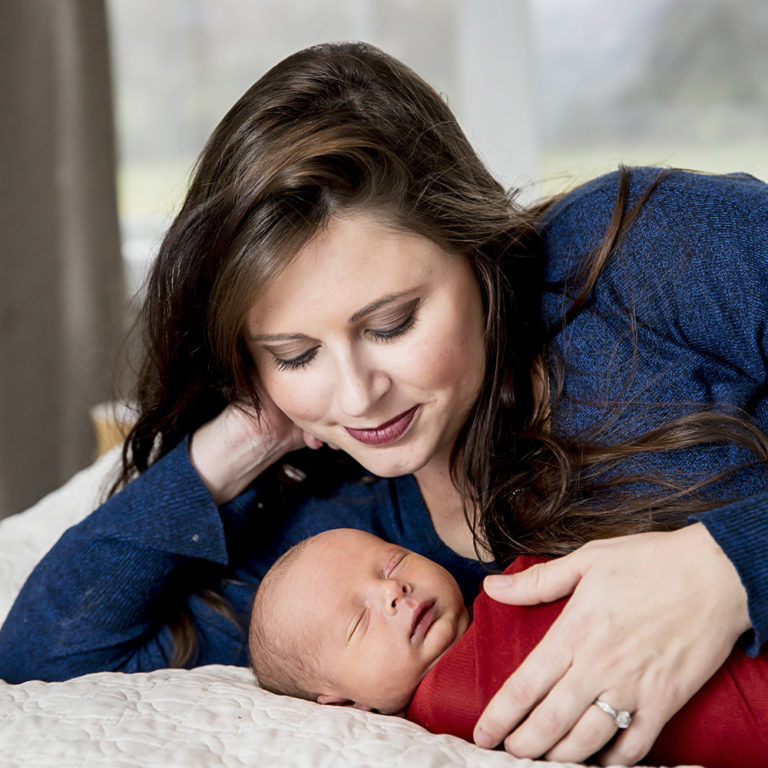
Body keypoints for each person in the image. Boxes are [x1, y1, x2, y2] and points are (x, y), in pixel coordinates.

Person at [0, 40, 766, 766]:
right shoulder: (336, 548)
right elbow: (46, 656)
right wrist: (240, 439)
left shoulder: (641, 252)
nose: (359, 395)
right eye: (296, 353)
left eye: (392, 324)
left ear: (475, 249)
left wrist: (727, 566)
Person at [249, 528, 768, 768]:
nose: (392, 591)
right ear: (345, 705)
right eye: (358, 622)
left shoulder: (504, 589)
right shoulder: (445, 706)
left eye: (393, 563)